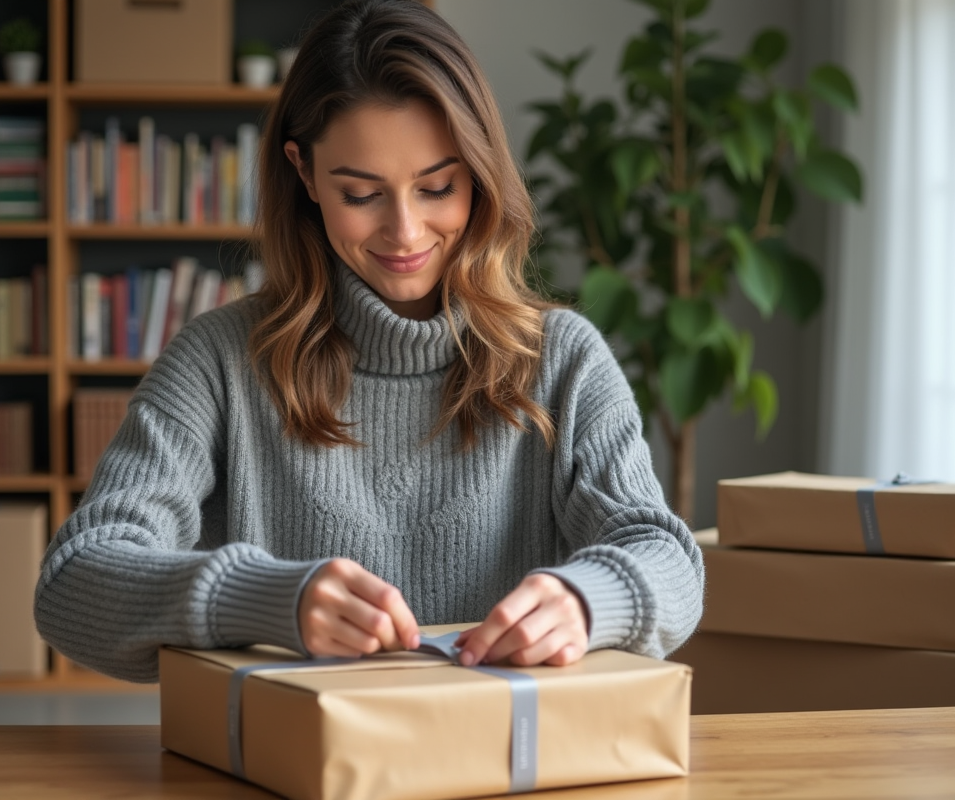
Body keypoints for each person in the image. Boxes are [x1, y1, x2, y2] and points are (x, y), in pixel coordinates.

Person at [34, 0, 704, 683]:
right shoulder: (219, 361)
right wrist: (266, 598)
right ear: (304, 173)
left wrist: (588, 601)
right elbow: (73, 582)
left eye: (438, 186)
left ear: (479, 172)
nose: (406, 233)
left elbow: (666, 557)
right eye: (361, 194)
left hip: (511, 773)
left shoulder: (562, 359)